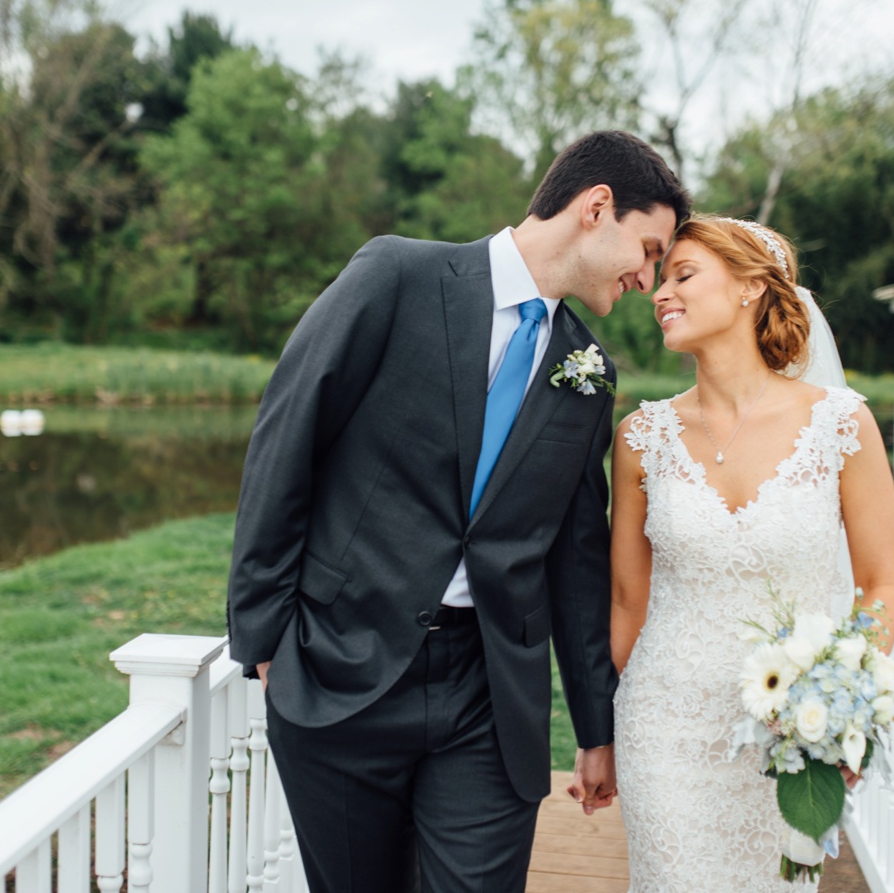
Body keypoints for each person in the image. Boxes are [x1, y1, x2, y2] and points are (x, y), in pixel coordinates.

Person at [226, 131, 692, 892]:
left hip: (489, 696)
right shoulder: (395, 276)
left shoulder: (589, 373)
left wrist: (595, 728)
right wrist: (266, 641)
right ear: (595, 207)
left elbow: (576, 563)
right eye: (647, 249)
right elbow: (287, 441)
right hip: (340, 674)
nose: (648, 277)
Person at [603, 215, 894, 891]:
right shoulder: (640, 437)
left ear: (748, 287)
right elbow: (626, 599)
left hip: (792, 736)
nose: (658, 293)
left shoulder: (841, 424)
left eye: (682, 275)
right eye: (658, 279)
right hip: (665, 726)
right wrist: (625, 714)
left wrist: (845, 701)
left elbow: (881, 582)